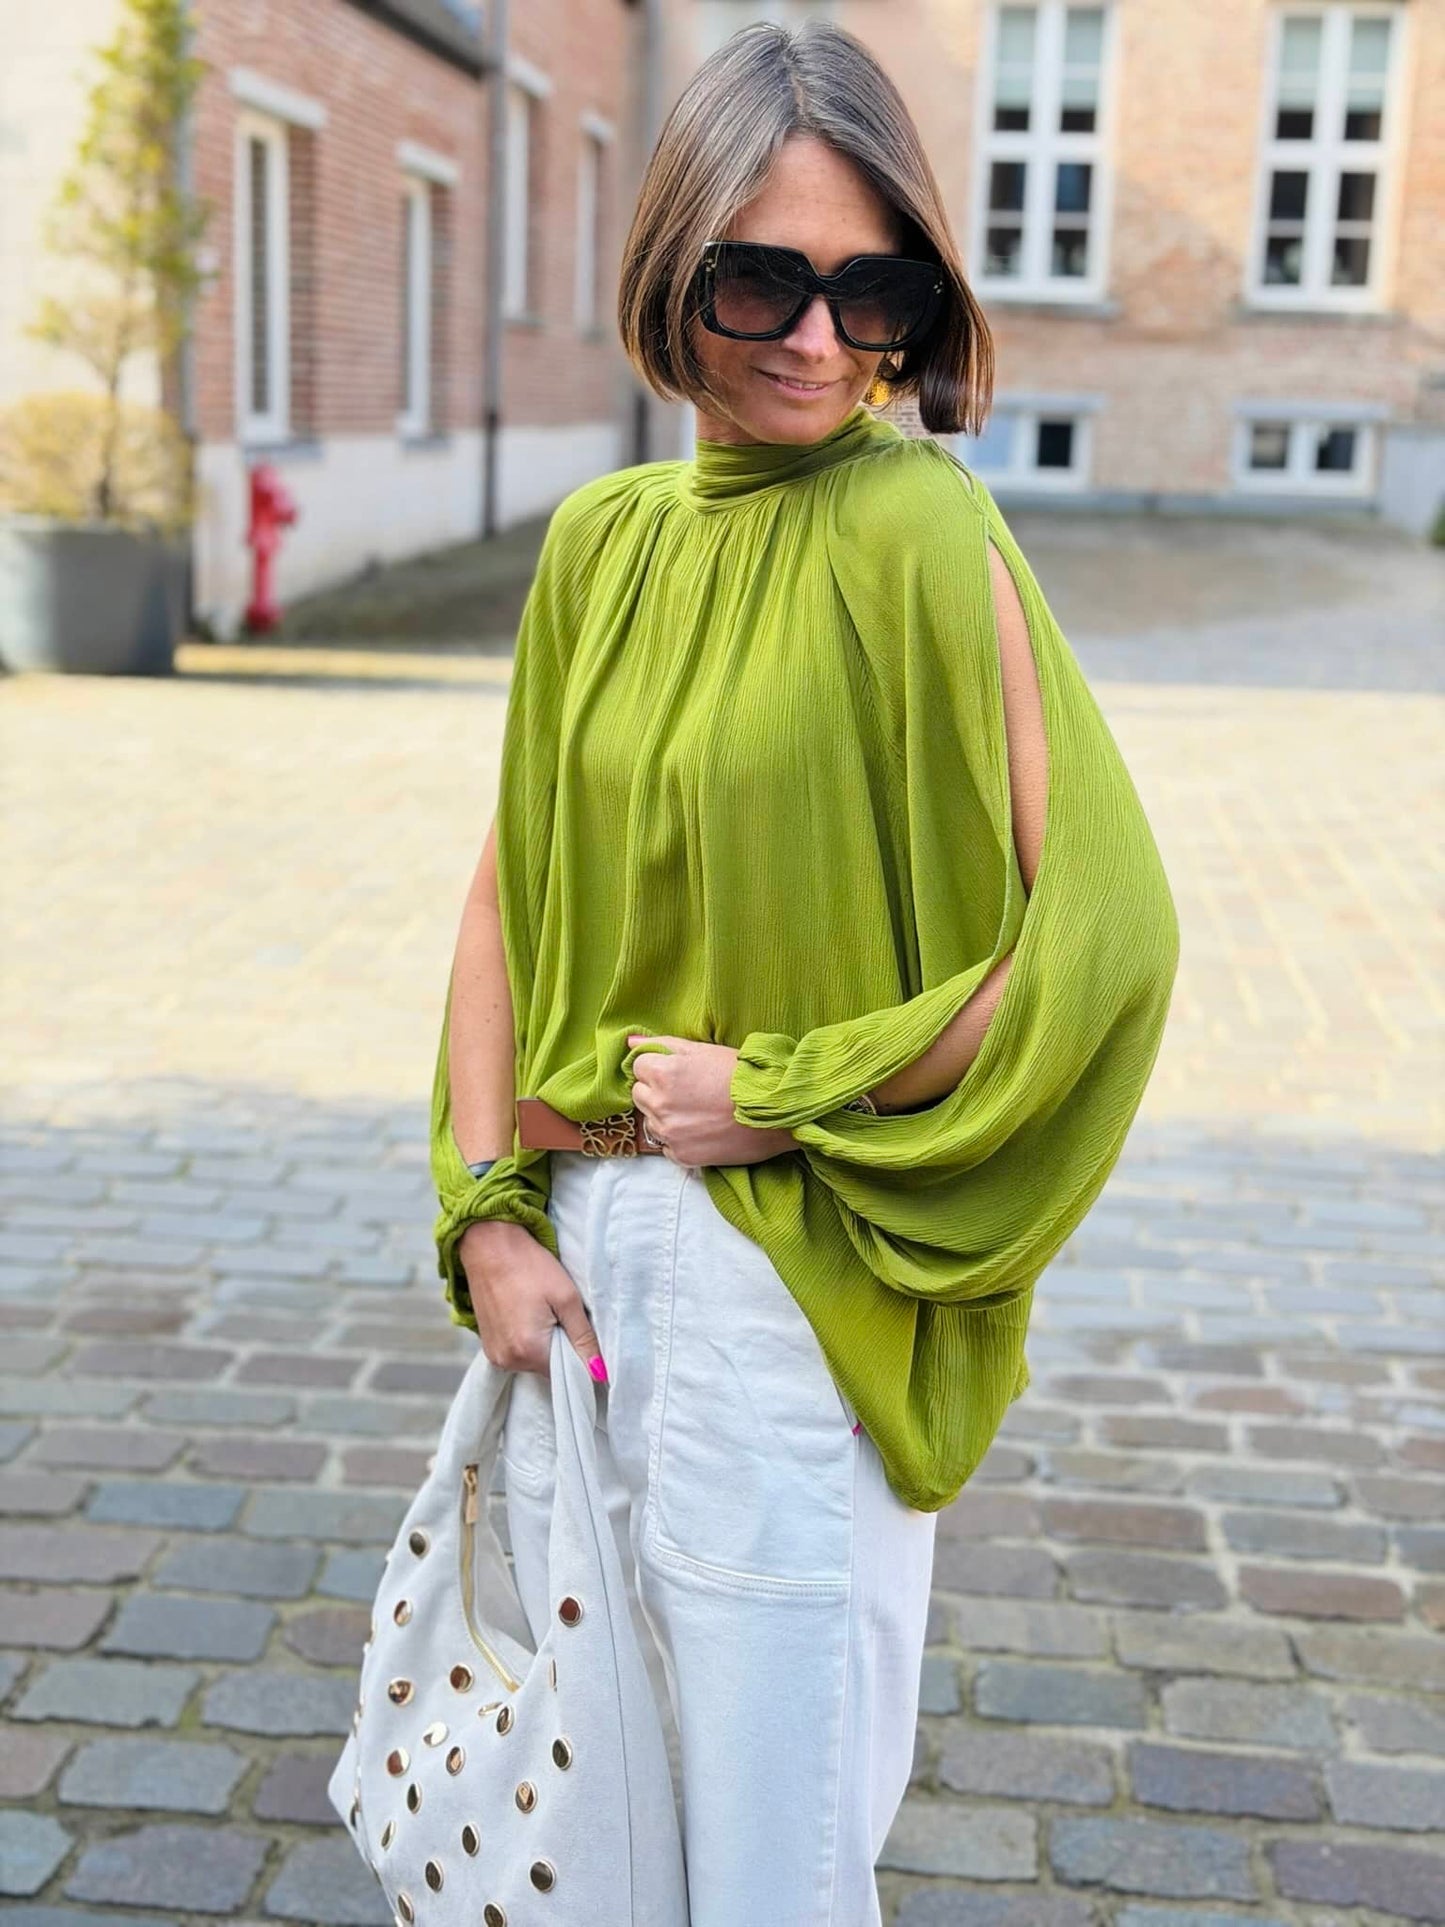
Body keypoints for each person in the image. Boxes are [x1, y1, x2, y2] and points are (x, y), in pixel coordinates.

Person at [429, 18, 1178, 1925]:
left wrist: (787, 1089)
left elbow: (1098, 940)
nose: (820, 341)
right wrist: (485, 1213)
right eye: (761, 279)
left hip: (788, 1281)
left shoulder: (919, 526)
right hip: (582, 1271)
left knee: (770, 1859)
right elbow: (508, 901)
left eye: (874, 291)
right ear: (670, 266)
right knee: (586, 1834)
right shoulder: (597, 541)